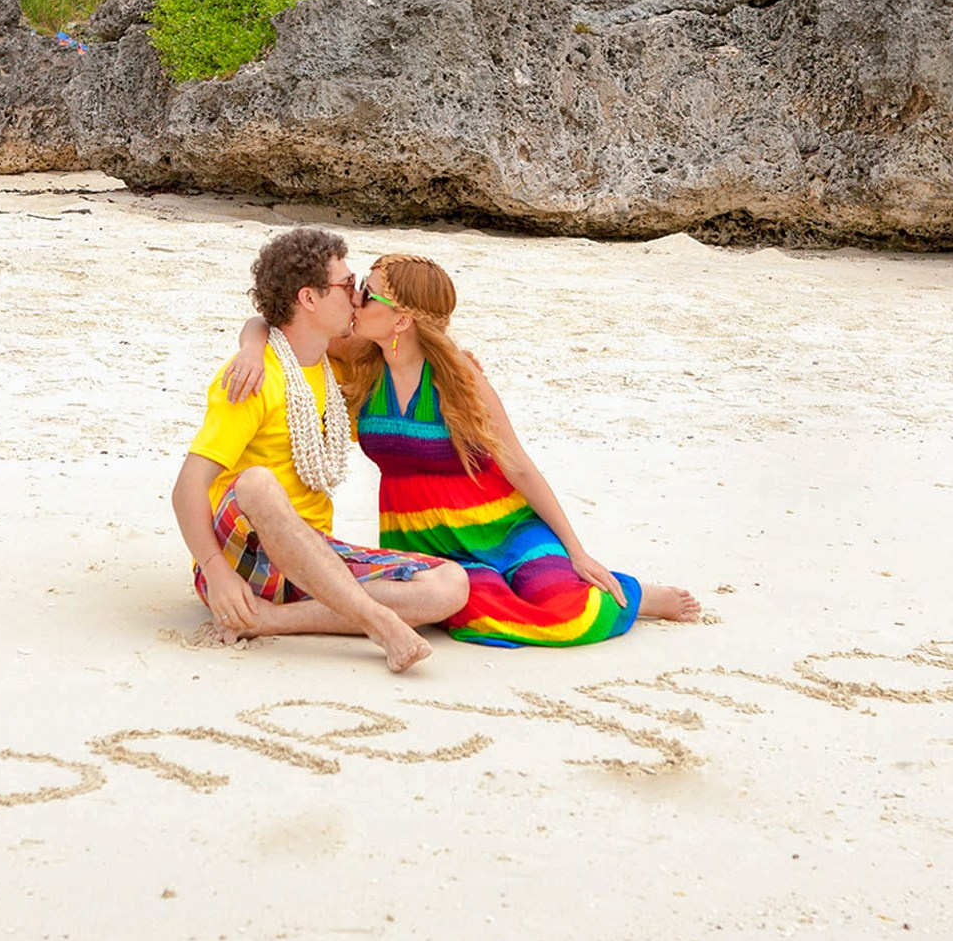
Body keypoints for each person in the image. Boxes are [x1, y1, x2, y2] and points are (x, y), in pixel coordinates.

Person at [227, 253, 699, 647]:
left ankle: (640, 596)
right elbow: (272, 322)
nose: (355, 298)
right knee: (481, 612)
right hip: (424, 538)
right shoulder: (357, 357)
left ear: (402, 319)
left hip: (501, 524)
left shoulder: (458, 376)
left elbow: (518, 465)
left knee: (564, 608)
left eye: (368, 293)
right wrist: (251, 349)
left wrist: (579, 551)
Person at [171, 228, 469, 673]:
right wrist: (215, 572)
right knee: (257, 482)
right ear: (309, 298)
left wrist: (457, 366)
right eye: (347, 285)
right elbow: (187, 488)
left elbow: (408, 342)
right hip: (241, 560)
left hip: (312, 558)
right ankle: (379, 623)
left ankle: (273, 620)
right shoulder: (253, 377)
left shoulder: (336, 367)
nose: (357, 296)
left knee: (450, 585)